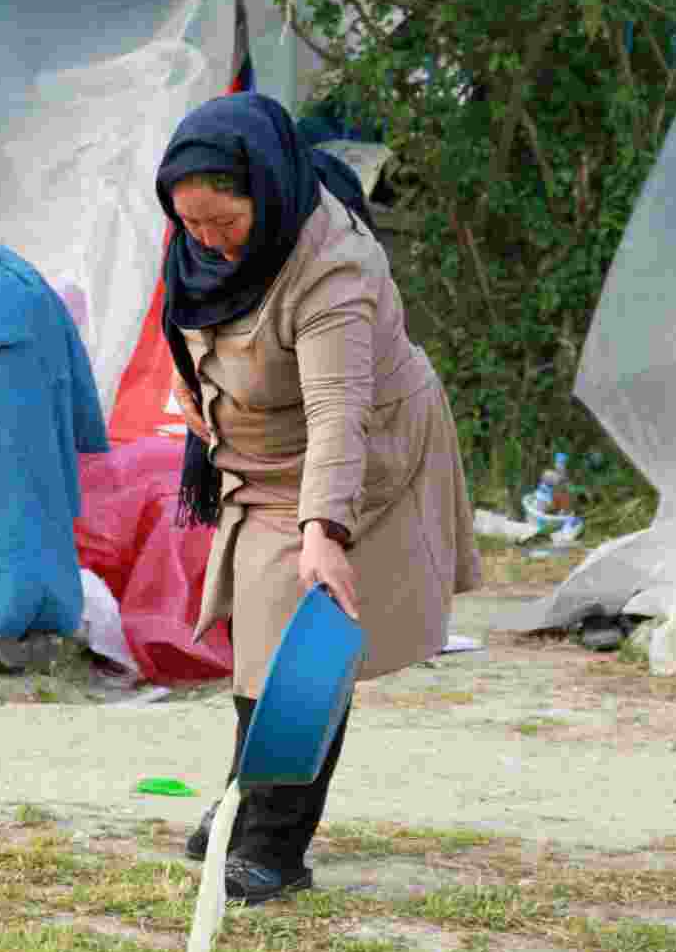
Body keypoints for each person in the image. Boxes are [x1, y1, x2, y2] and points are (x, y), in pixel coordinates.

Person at [155, 92, 481, 906]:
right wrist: (192, 387)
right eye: (189, 224)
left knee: (306, 648)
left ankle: (272, 847)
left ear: (264, 191)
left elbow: (340, 412)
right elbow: (194, 325)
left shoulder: (332, 268)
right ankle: (246, 800)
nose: (206, 241)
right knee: (260, 637)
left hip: (357, 462)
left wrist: (325, 530)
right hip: (261, 463)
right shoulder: (205, 252)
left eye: (221, 223)